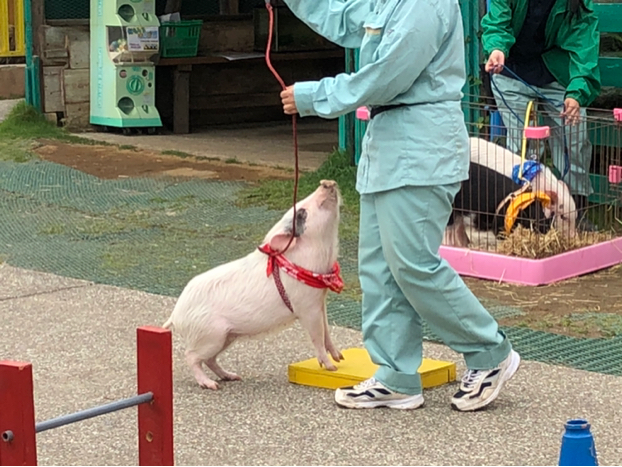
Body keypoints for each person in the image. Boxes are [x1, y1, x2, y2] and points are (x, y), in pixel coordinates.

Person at [278, 0, 520, 411]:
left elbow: (385, 76)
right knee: (379, 267)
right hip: (388, 147)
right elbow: (342, 17)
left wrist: (314, 96)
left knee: (413, 263)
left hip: (422, 149)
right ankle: (395, 374)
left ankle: (489, 352)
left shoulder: (426, 5)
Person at [481, 0, 601, 229]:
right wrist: (496, 49)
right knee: (523, 147)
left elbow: (584, 49)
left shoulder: (579, 4)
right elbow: (497, 23)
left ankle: (575, 210)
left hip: (557, 72)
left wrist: (577, 93)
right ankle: (527, 214)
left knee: (573, 140)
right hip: (510, 71)